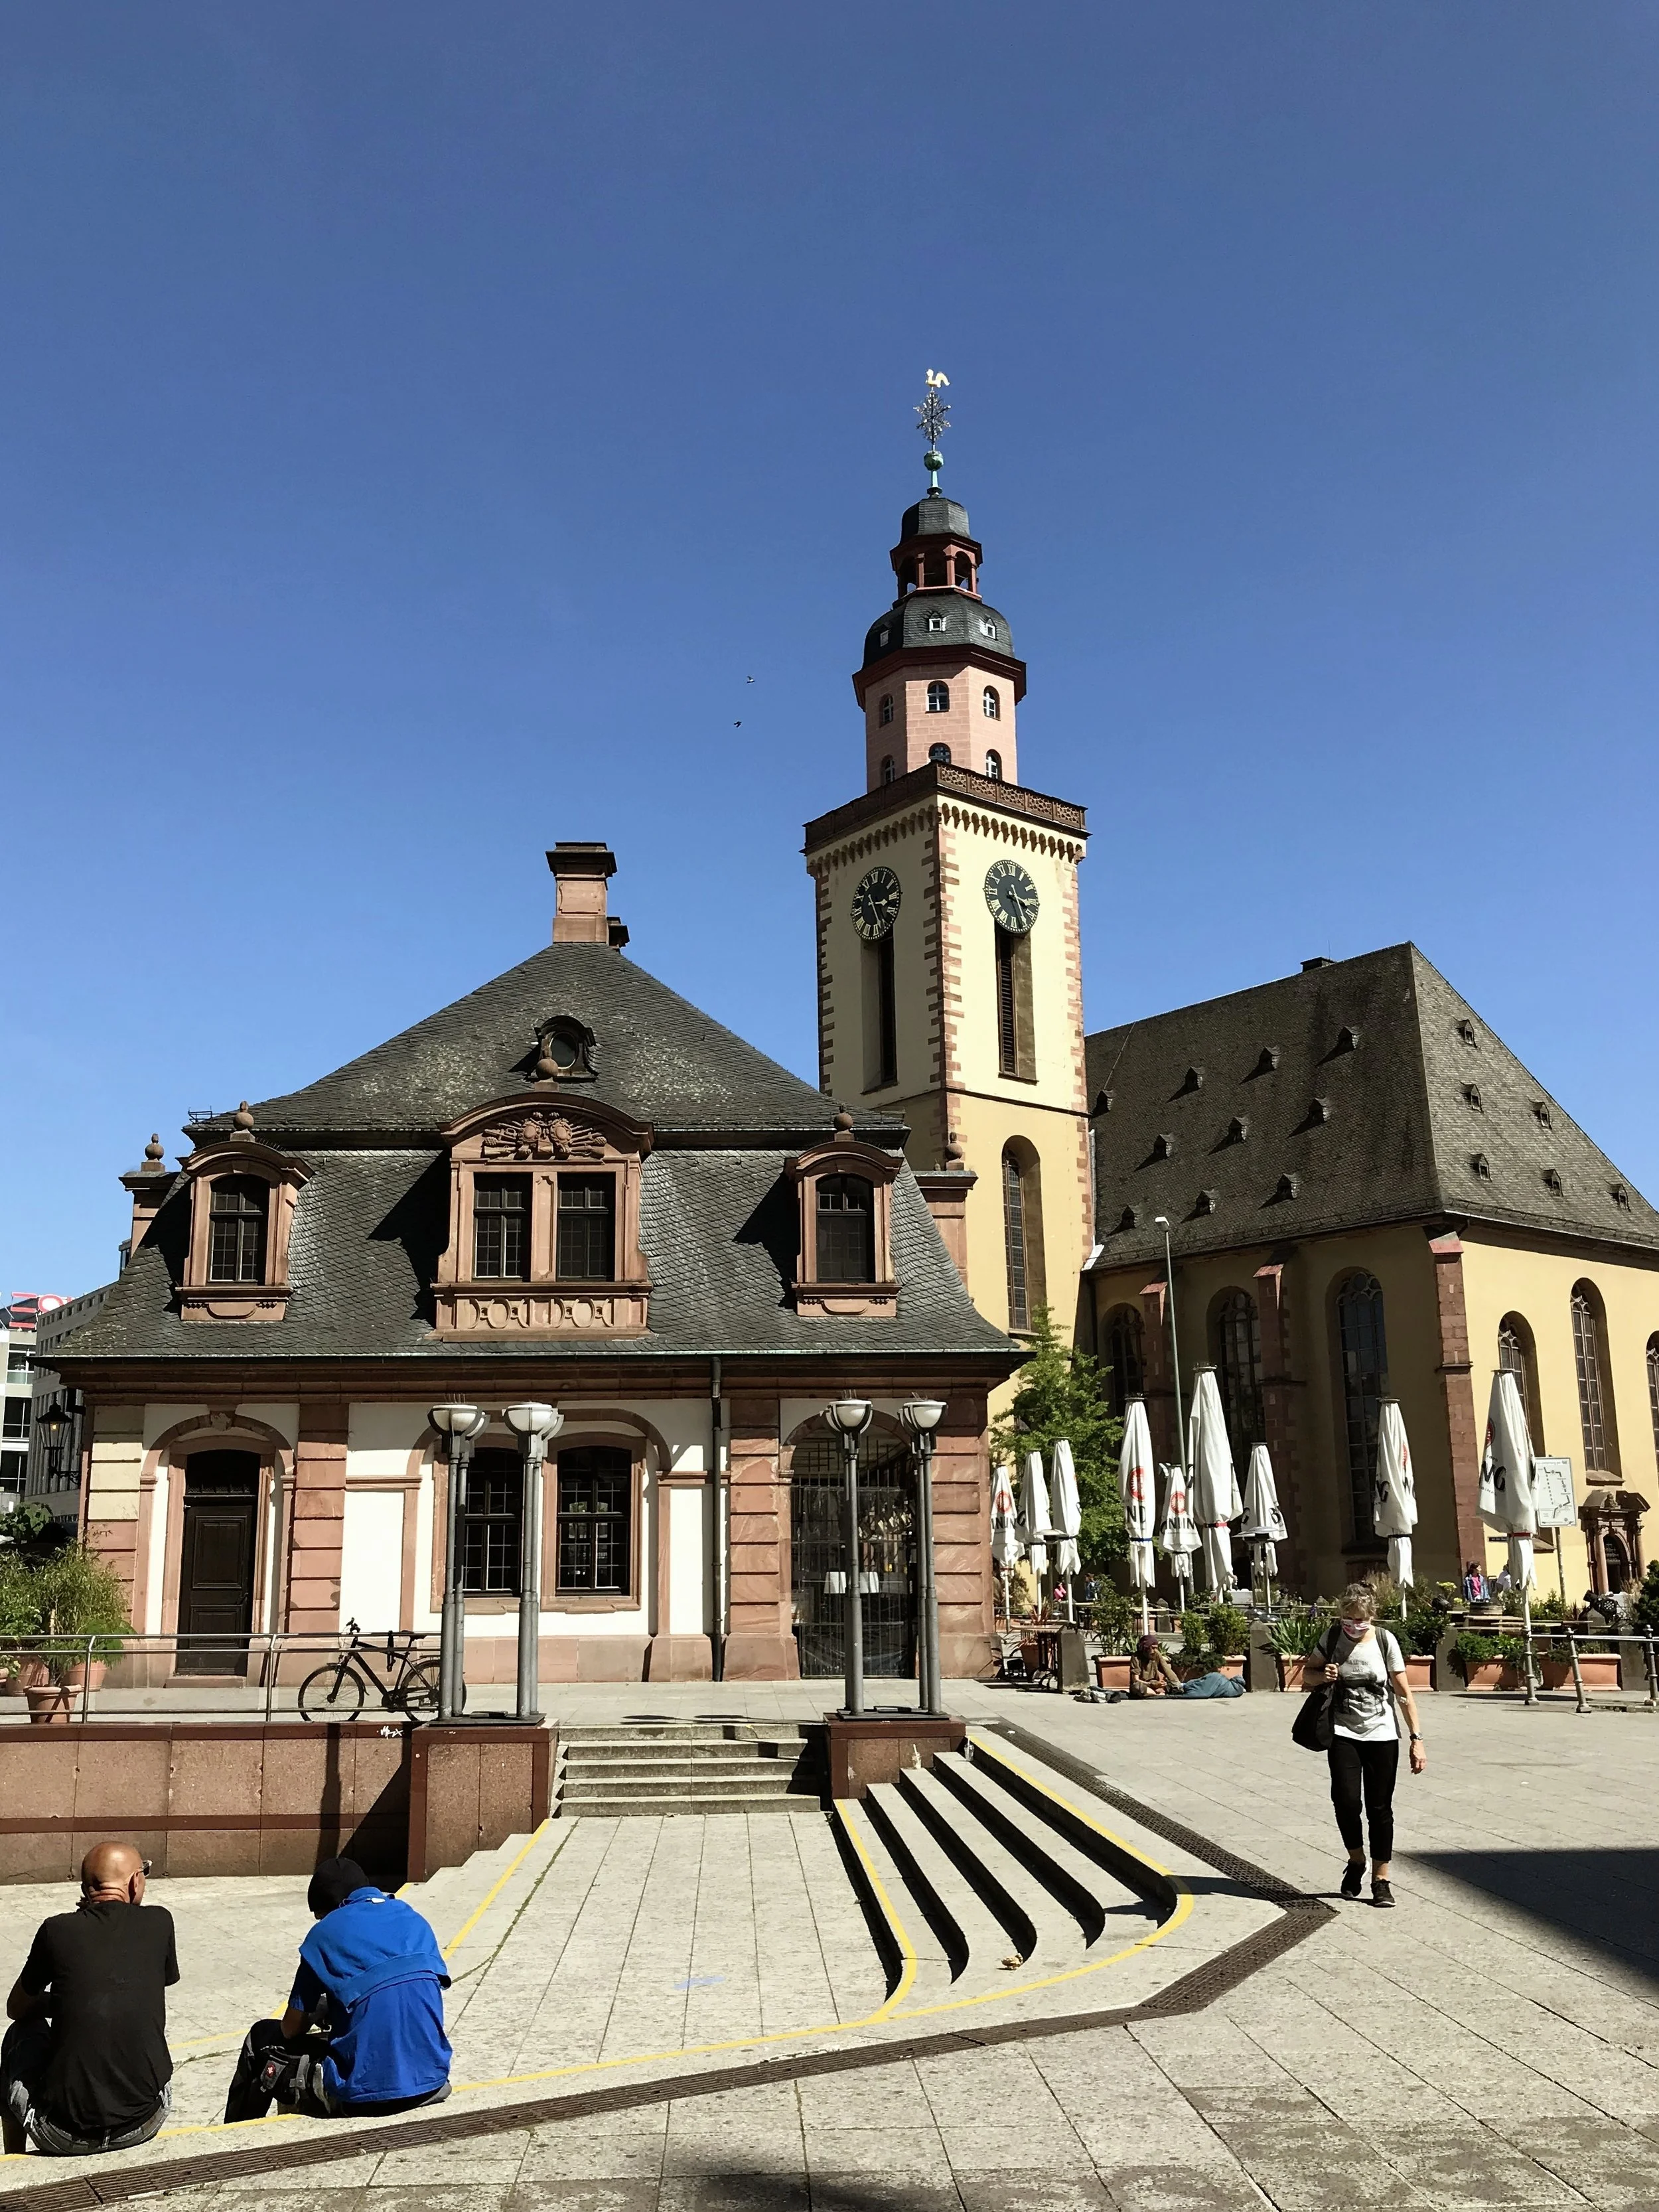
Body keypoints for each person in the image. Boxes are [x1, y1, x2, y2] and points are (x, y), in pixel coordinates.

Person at [224, 1858, 452, 2124]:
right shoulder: (414, 1920)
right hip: (432, 2081)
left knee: (261, 2038)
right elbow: (399, 1998)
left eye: (320, 1915)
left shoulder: (324, 1934)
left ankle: (235, 2137)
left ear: (330, 1907)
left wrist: (315, 2011)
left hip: (362, 2096)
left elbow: (290, 2029)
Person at [2, 1841, 178, 2158]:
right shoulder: (160, 1922)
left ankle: (13, 2156)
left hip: (61, 2134)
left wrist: (61, 2002)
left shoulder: (56, 1930)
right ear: (136, 1881)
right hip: (146, 2120)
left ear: (86, 1889)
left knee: (19, 2034)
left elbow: (16, 2008)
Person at [1303, 1584, 1427, 1908]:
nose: (1354, 1625)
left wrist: (1417, 1739)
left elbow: (1403, 1694)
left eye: (1360, 1619)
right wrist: (1323, 1675)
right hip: (1343, 1732)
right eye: (1348, 1618)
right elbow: (1307, 1676)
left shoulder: (1385, 1641)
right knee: (1345, 1802)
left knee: (1380, 1809)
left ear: (1372, 1617)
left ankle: (1381, 1879)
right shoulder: (1331, 1638)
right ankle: (1356, 1860)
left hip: (1383, 1735)